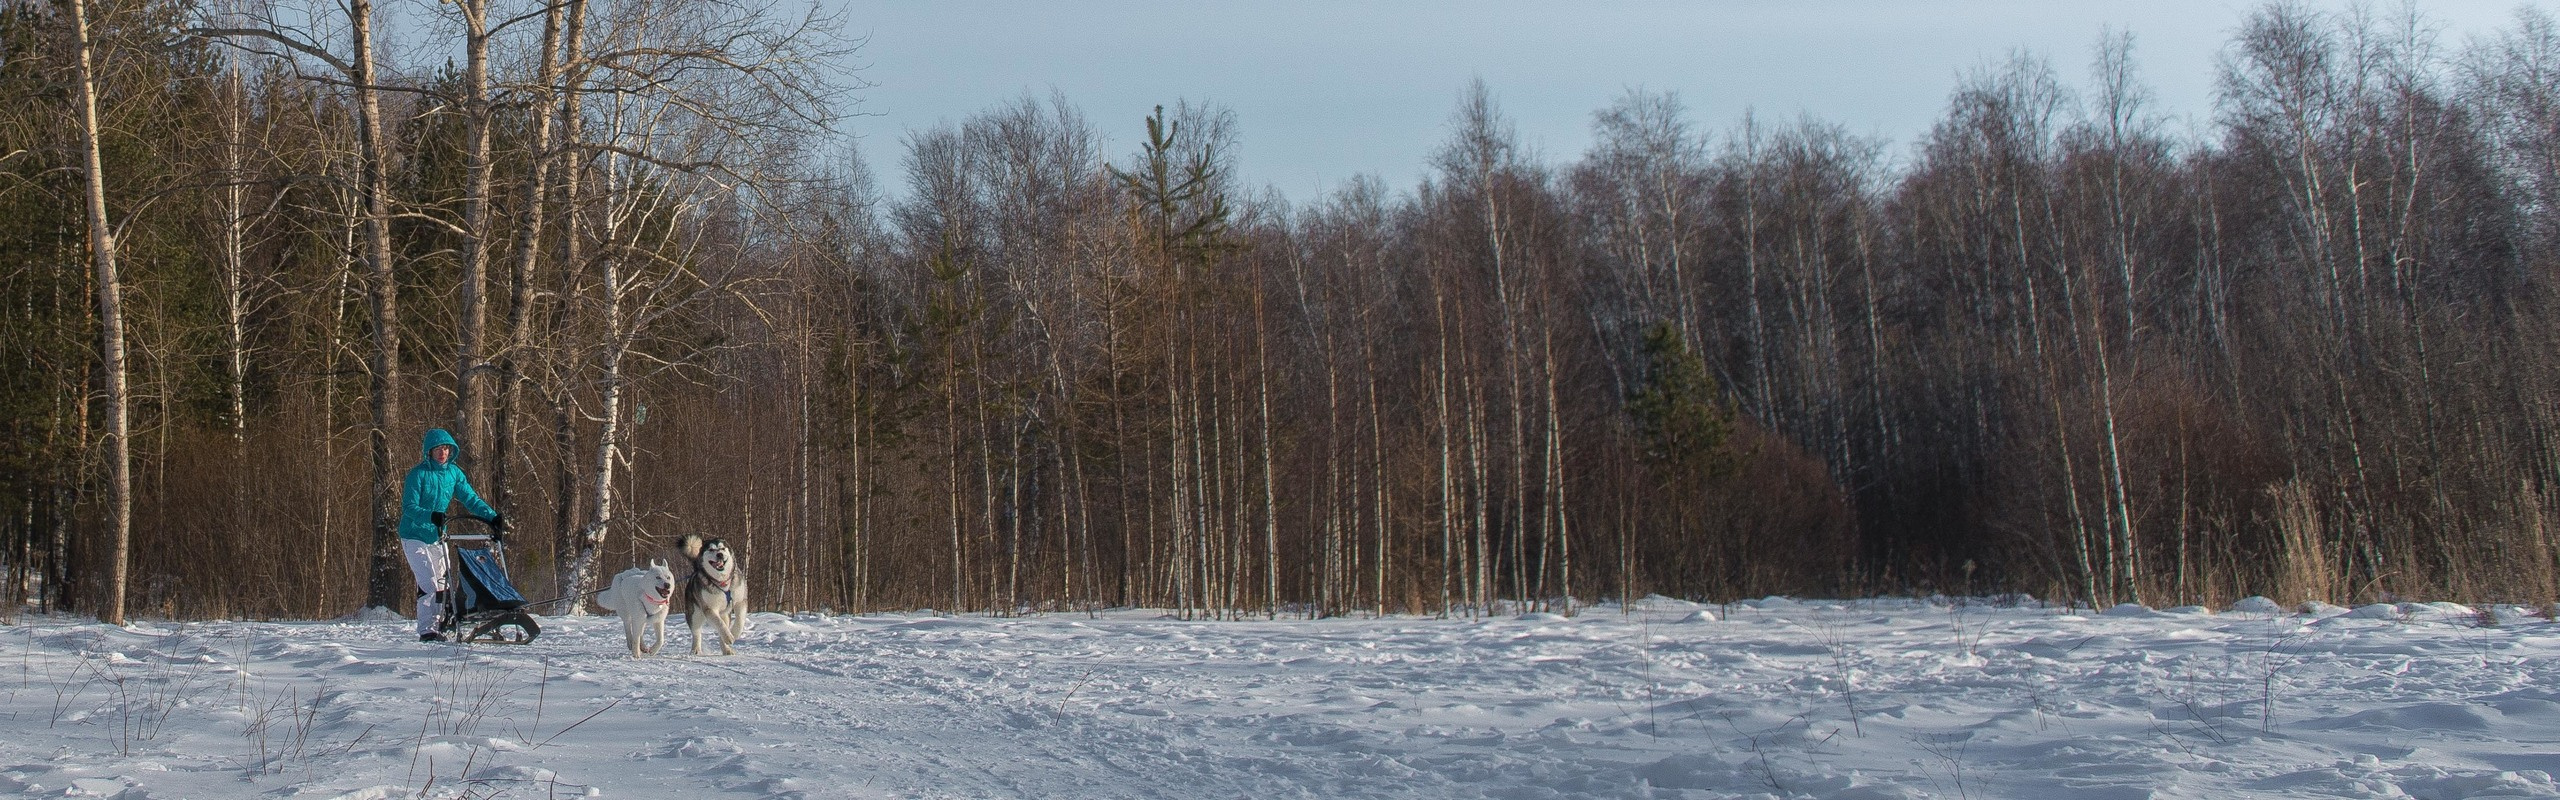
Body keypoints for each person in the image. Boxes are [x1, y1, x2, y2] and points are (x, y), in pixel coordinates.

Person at [400, 428, 502, 641]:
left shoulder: (454, 474)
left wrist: (492, 517)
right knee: (428, 582)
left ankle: (441, 624)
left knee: (443, 583)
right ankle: (427, 631)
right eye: (437, 449)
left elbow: (471, 499)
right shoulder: (418, 475)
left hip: (438, 535)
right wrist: (431, 516)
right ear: (429, 451)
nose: (442, 453)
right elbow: (409, 507)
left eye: (446, 448)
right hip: (414, 535)